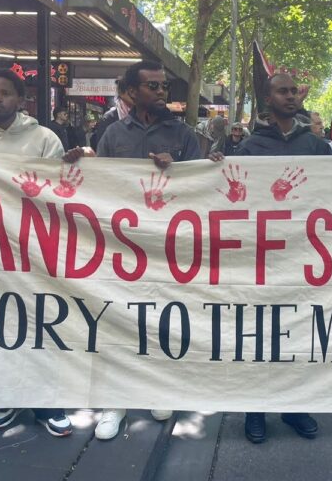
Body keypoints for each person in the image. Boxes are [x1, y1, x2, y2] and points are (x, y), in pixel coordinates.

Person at [0, 69, 89, 437]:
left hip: (35, 250)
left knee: (40, 323)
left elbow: (59, 192)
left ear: (21, 99)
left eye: (5, 93)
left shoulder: (45, 139)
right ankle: (7, 395)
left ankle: (47, 403)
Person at [95, 60, 201, 440]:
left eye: (163, 86)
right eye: (152, 86)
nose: (160, 92)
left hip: (166, 247)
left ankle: (158, 389)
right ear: (131, 92)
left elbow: (201, 187)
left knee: (162, 320)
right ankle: (115, 402)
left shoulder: (183, 134)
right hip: (122, 246)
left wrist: (180, 170)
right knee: (116, 320)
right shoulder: (112, 134)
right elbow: (96, 186)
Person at [229, 72, 329, 443]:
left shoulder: (316, 145)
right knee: (259, 335)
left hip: (304, 257)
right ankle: (255, 410)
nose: (291, 96)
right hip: (263, 259)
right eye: (282, 91)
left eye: (294, 91)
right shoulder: (250, 148)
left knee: (299, 333)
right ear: (268, 99)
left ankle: (294, 407)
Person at [91, 78, 134, 152]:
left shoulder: (141, 114)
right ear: (121, 93)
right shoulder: (109, 118)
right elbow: (101, 149)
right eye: (131, 91)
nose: (134, 95)